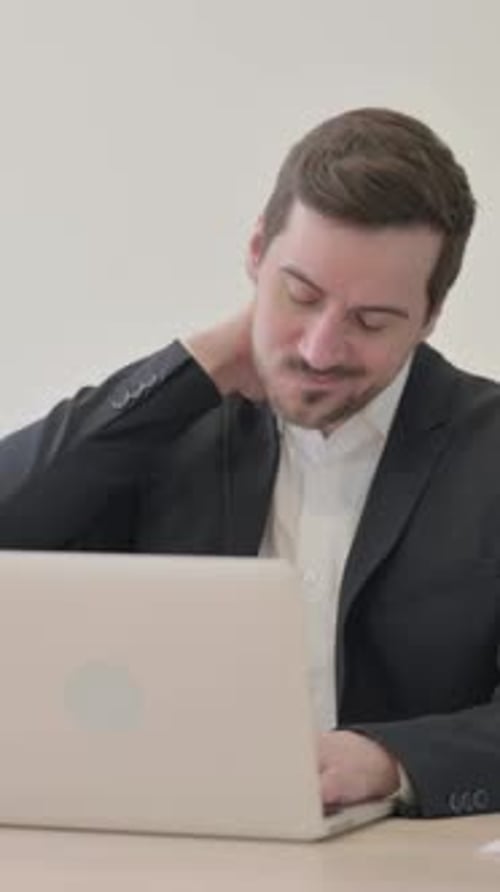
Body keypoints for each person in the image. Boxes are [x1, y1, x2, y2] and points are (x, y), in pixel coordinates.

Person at [0, 107, 499, 820]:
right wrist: (195, 366)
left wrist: (390, 762)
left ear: (430, 315)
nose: (321, 349)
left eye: (370, 321)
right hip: (168, 841)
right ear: (257, 252)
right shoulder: (167, 430)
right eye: (300, 295)